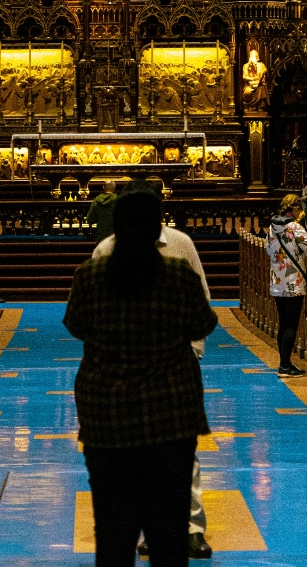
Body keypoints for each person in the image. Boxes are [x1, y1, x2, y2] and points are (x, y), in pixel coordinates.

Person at [65, 188, 216, 567]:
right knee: (168, 535)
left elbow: (76, 326)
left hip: (107, 415)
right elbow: (204, 321)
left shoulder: (91, 274)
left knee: (113, 534)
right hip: (169, 412)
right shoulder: (176, 275)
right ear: (155, 228)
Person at [267, 193, 307, 378]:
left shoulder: (272, 227)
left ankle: (284, 362)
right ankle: (285, 366)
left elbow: (269, 250)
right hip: (293, 282)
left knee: (283, 323)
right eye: (299, 208)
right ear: (293, 208)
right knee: (291, 325)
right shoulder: (293, 227)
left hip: (278, 280)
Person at [88, 179, 119, 244]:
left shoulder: (96, 200)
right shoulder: (118, 201)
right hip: (114, 236)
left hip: (101, 236)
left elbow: (90, 219)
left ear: (103, 187)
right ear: (114, 187)